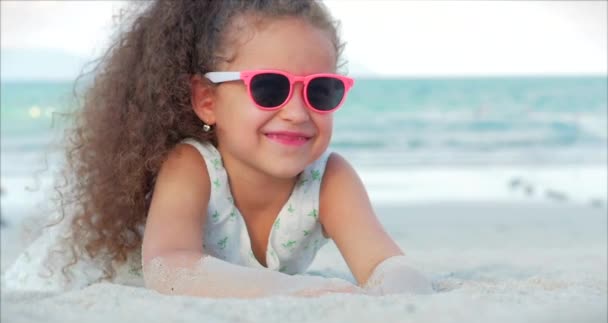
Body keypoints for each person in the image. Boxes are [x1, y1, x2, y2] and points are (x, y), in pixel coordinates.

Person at [3, 0, 432, 297]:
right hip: (65, 280)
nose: (298, 112)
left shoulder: (330, 180)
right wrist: (297, 290)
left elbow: (385, 262)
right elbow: (170, 266)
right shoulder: (192, 166)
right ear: (207, 100)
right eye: (269, 87)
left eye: (320, 90)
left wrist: (396, 291)